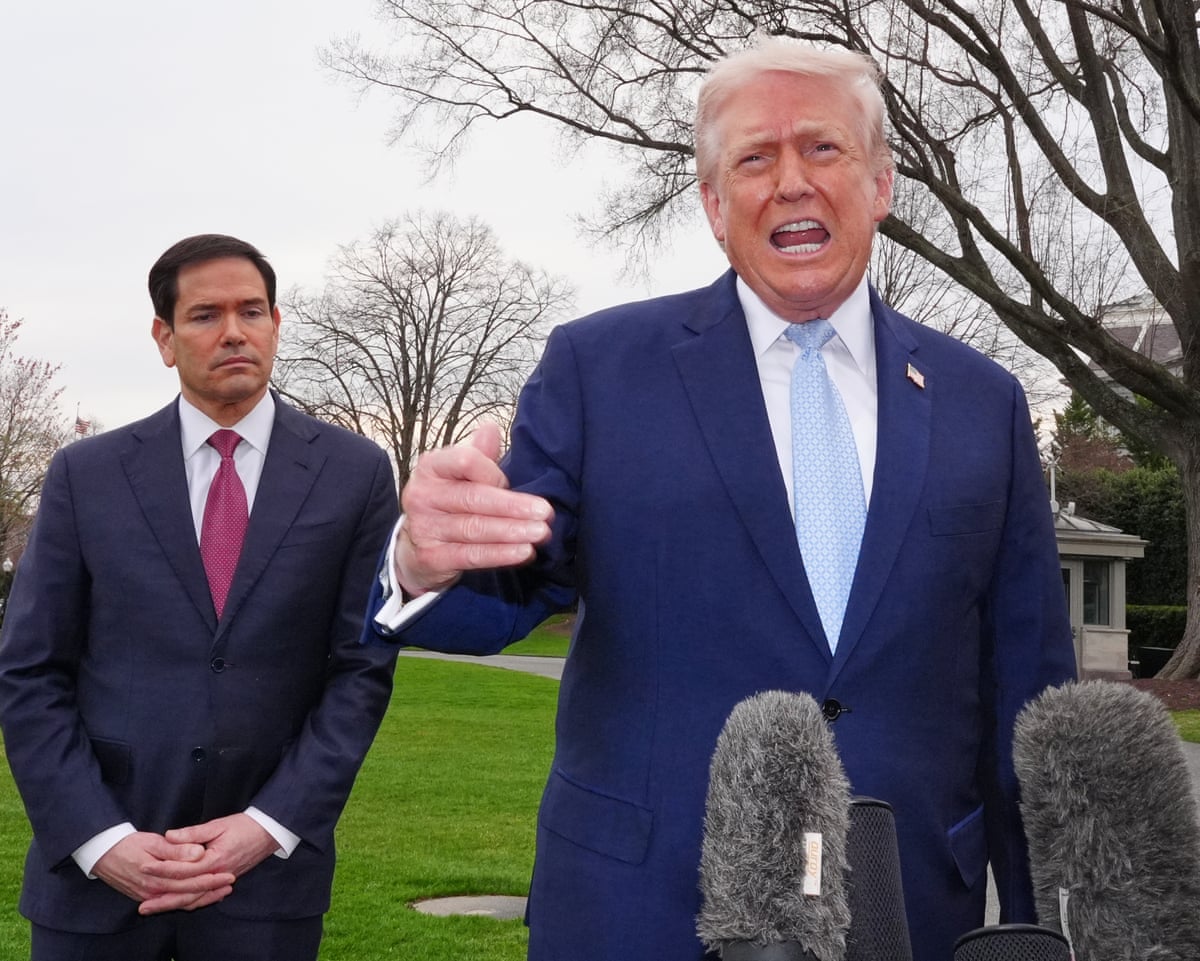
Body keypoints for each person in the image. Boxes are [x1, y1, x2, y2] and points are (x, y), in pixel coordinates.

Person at [369, 39, 1077, 961]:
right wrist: (422, 561)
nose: (791, 181)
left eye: (822, 148)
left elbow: (1030, 690)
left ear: (881, 184)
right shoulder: (598, 370)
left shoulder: (984, 401)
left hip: (905, 908)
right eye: (754, 158)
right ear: (712, 204)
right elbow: (500, 591)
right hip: (643, 911)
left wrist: (1044, 925)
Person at [0, 234, 399, 960]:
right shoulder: (85, 476)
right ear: (164, 338)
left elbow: (361, 669)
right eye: (206, 315)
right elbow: (29, 671)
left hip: (266, 888)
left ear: (276, 323)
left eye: (252, 310)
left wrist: (268, 826)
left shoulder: (356, 474)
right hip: (96, 889)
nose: (234, 332)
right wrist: (99, 838)